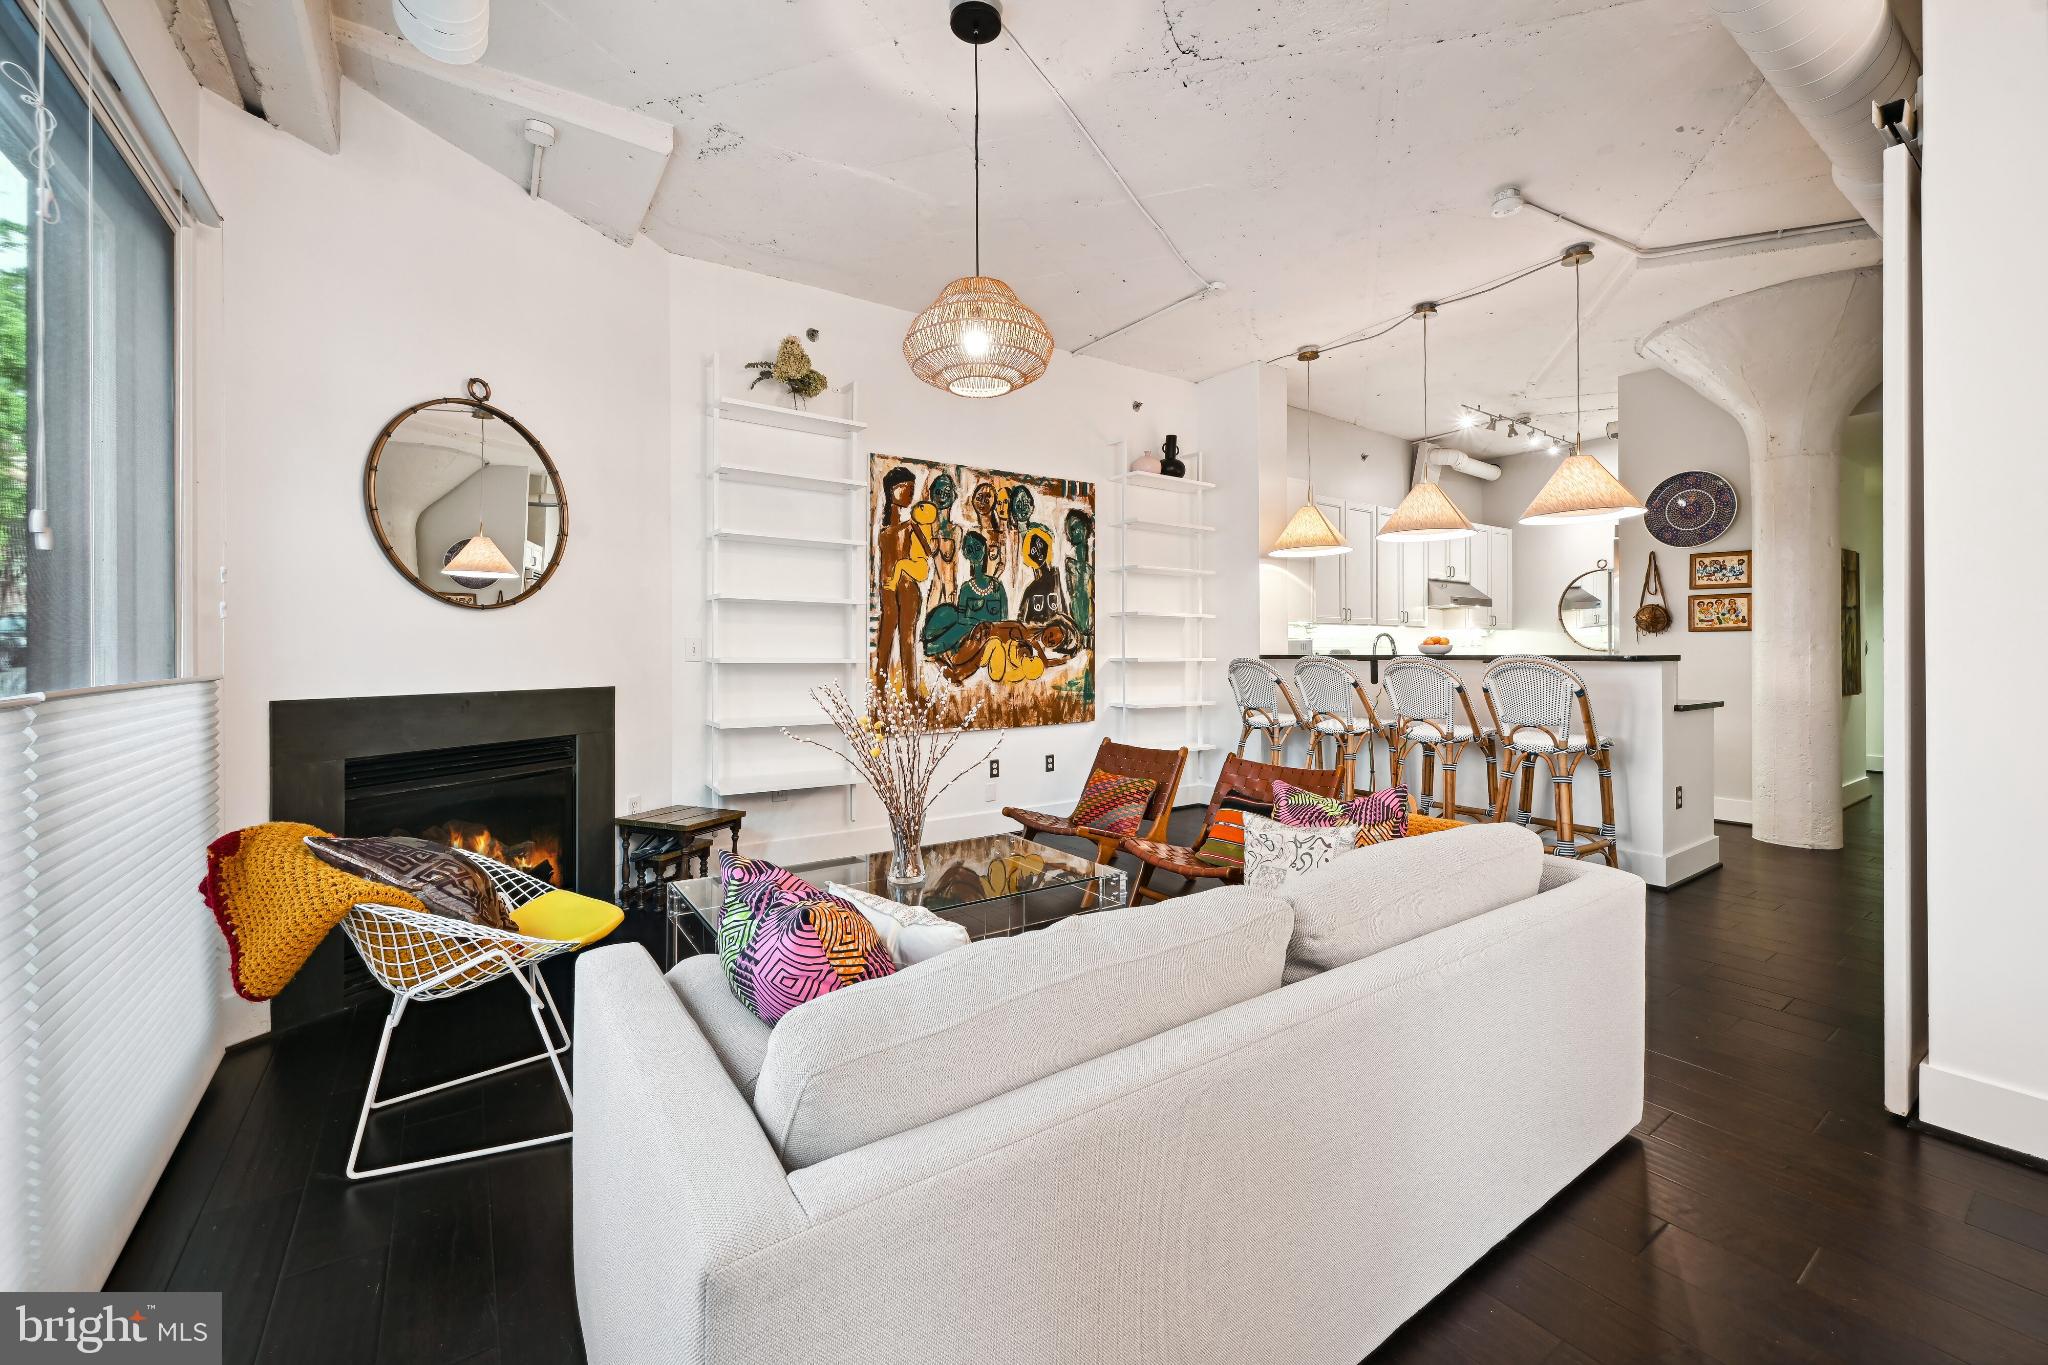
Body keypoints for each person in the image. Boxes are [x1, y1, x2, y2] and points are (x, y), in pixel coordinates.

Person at [874, 465, 934, 695]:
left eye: (912, 488)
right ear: (892, 491)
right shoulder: (883, 529)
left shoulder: (912, 526)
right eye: (905, 488)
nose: (910, 493)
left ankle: (911, 692)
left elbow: (928, 552)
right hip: (887, 589)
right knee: (885, 641)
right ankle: (877, 691)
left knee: (907, 642)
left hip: (908, 588)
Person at [920, 530, 1007, 658]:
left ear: (985, 549)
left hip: (992, 641)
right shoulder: (966, 588)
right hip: (968, 638)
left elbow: (1003, 621)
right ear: (966, 554)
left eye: (978, 548)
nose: (975, 552)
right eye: (970, 549)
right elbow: (962, 621)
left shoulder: (997, 588)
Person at [1062, 508, 1093, 641]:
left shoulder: (1093, 561)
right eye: (1070, 529)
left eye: (1075, 528)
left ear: (1086, 527)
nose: (1072, 533)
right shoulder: (1070, 564)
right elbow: (1071, 594)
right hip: (1076, 622)